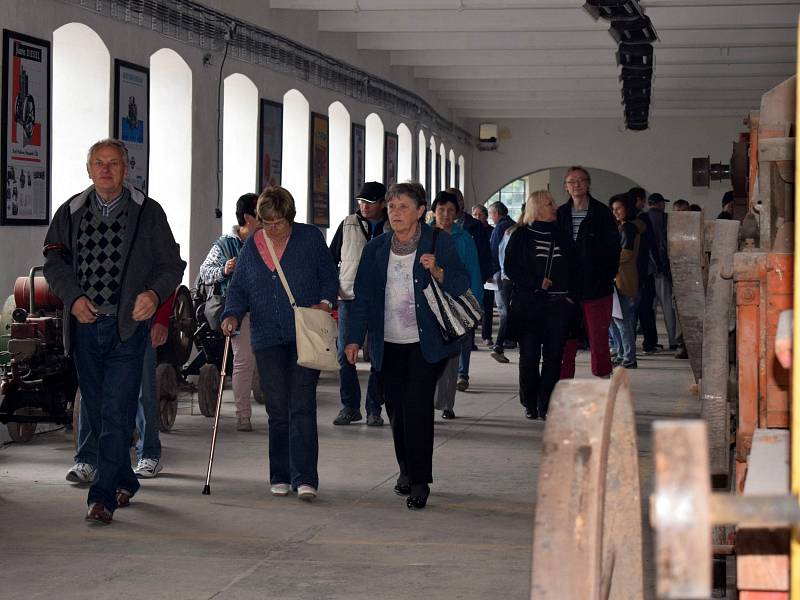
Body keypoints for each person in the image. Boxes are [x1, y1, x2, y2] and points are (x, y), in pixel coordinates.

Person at [44, 138, 185, 524]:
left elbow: (172, 264)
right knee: (99, 408)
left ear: (127, 169)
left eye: (114, 163)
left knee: (117, 409)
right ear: (88, 169)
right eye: (99, 163)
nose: (106, 170)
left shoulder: (146, 212)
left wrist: (155, 296)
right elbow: (54, 263)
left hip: (127, 328)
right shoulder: (70, 211)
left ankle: (102, 497)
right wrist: (73, 298)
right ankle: (125, 479)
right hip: (86, 327)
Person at [344, 182, 469, 510]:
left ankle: (419, 480)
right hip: (388, 342)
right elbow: (363, 297)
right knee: (396, 409)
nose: (395, 212)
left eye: (403, 206)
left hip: (426, 343)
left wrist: (437, 270)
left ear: (419, 211)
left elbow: (461, 282)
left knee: (417, 406)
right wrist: (354, 338)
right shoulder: (376, 248)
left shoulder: (438, 241)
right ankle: (405, 468)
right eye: (391, 206)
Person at [220, 186, 338, 501]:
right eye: (267, 223)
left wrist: (325, 302)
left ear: (290, 217)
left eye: (279, 223)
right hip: (266, 337)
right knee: (277, 409)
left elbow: (329, 276)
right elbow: (239, 287)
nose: (273, 230)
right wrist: (231, 314)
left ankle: (305, 479)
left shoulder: (310, 238)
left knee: (301, 405)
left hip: (305, 335)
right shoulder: (252, 246)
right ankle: (280, 475)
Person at [66, 294, 175, 484]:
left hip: (138, 321)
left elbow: (167, 271)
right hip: (95, 319)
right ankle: (88, 460)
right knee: (90, 391)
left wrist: (162, 320)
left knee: (144, 389)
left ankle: (149, 454)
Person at [505, 191, 576, 419]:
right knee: (529, 357)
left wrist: (571, 297)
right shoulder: (521, 236)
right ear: (536, 208)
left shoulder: (563, 236)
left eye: (553, 202)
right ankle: (530, 402)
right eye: (549, 203)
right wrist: (536, 282)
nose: (555, 206)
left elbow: (577, 268)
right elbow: (511, 268)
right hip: (530, 306)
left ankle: (547, 402)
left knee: (554, 357)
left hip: (559, 306)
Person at [328, 181, 389, 426]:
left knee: (378, 356)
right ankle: (349, 406)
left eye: (370, 202)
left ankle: (374, 408)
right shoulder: (348, 224)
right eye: (361, 202)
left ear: (382, 204)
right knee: (345, 354)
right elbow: (331, 257)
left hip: (382, 300)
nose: (364, 206)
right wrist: (333, 289)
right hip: (350, 298)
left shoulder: (392, 226)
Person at [198, 193, 260, 432]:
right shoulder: (224, 244)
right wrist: (224, 270)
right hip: (238, 310)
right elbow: (205, 272)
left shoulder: (267, 242)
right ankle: (243, 415)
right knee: (243, 360)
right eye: (260, 215)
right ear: (248, 218)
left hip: (265, 308)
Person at [556, 166, 620, 378]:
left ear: (588, 184)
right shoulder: (560, 215)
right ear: (566, 187)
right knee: (566, 341)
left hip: (597, 288)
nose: (577, 185)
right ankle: (563, 385)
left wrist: (605, 276)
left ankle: (603, 379)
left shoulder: (601, 213)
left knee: (599, 338)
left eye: (581, 180)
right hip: (566, 290)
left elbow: (613, 250)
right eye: (571, 181)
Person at [431, 190, 483, 417]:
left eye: (450, 210)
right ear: (433, 212)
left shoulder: (464, 239)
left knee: (452, 355)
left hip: (456, 301)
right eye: (441, 210)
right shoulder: (424, 235)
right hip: (429, 301)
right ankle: (426, 400)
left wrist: (476, 303)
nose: (445, 214)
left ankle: (446, 404)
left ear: (457, 213)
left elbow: (473, 271)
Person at [448, 188, 493, 350]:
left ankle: (463, 370)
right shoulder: (438, 225)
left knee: (467, 319)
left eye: (454, 202)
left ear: (461, 203)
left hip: (470, 279)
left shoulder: (475, 226)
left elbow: (484, 253)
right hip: (446, 280)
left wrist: (482, 277)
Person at [641, 192, 678, 351]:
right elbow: (663, 245)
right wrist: (664, 267)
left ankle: (651, 341)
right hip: (660, 270)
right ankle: (673, 340)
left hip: (646, 271)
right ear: (661, 203)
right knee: (668, 307)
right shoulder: (665, 219)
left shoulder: (643, 218)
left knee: (650, 309)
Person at [609, 194, 640, 369]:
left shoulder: (628, 228)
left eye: (619, 208)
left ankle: (629, 356)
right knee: (617, 320)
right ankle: (622, 353)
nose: (616, 212)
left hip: (624, 278)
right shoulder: (623, 227)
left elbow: (627, 254)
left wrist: (607, 259)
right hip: (619, 277)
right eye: (613, 209)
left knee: (624, 321)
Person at [488, 201, 516, 363]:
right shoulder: (515, 226)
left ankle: (500, 344)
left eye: (491, 214)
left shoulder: (500, 228)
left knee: (503, 309)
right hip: (512, 275)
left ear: (496, 213)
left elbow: (494, 250)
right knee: (509, 309)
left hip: (502, 274)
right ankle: (505, 341)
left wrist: (493, 272)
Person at [471, 204, 496, 347]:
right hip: (474, 273)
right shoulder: (470, 230)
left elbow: (490, 253)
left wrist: (489, 272)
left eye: (480, 214)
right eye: (475, 214)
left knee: (487, 306)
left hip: (486, 273)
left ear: (486, 216)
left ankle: (487, 336)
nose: (477, 217)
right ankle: (472, 339)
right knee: (473, 306)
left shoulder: (491, 231)